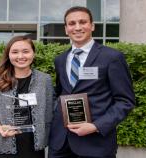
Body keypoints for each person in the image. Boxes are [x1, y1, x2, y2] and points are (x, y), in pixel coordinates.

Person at [48, 6, 135, 158]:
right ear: (66, 29)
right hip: (61, 143)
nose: (77, 27)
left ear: (92, 26)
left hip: (96, 145)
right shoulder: (60, 60)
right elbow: (62, 93)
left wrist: (96, 126)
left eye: (82, 22)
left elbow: (125, 101)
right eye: (72, 23)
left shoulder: (112, 57)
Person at [0, 36, 54, 158]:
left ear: (33, 53)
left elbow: (52, 109)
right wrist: (0, 128)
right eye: (15, 52)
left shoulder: (44, 80)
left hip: (32, 149)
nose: (21, 56)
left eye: (26, 51)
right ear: (8, 55)